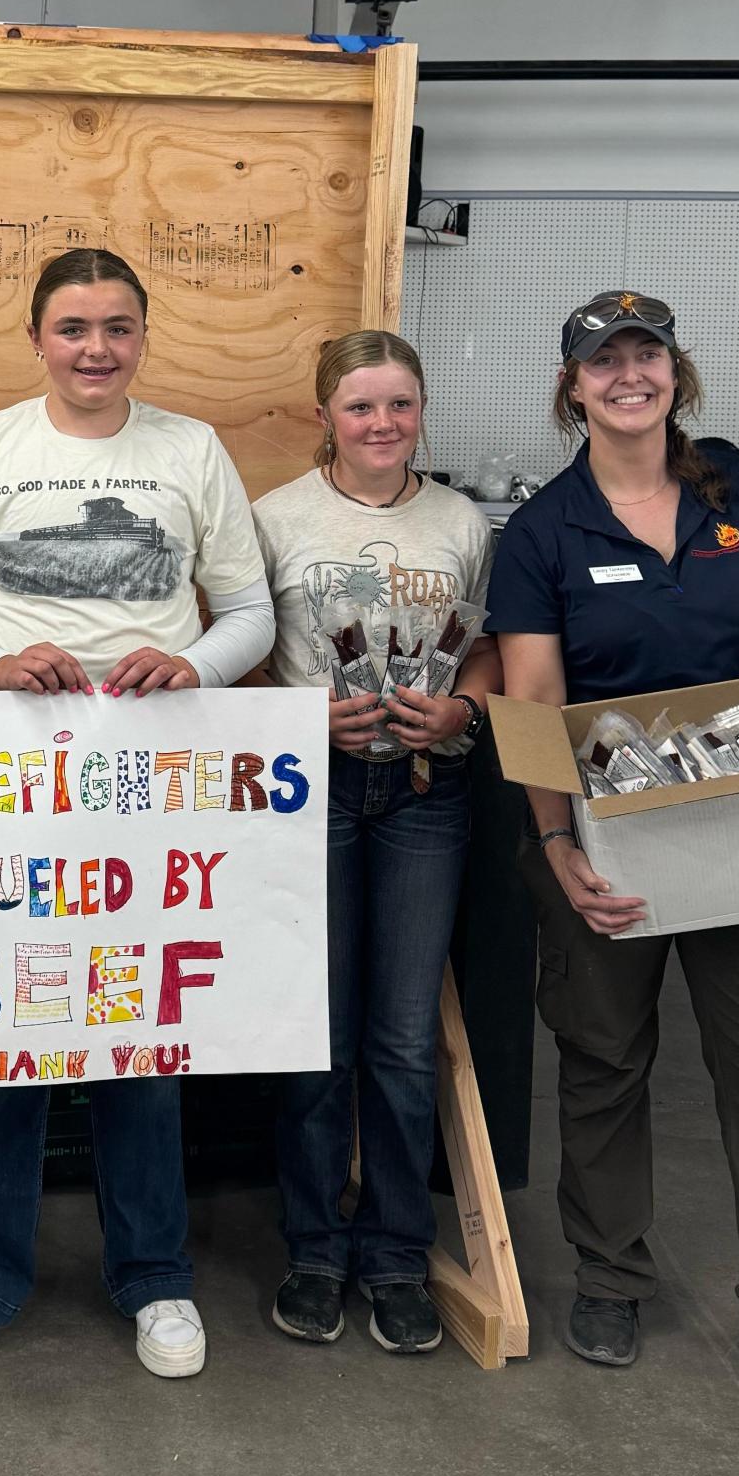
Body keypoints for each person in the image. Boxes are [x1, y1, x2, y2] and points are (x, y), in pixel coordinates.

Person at [491, 290, 739, 1426]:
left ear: (677, 370)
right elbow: (532, 695)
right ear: (572, 385)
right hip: (612, 831)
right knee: (604, 1060)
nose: (629, 373)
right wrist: (556, 840)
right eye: (602, 359)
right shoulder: (542, 532)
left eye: (646, 353)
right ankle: (613, 1278)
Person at [0, 247, 275, 1386]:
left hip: (147, 783)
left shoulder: (188, 449)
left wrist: (196, 663)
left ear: (143, 337)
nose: (95, 347)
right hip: (9, 777)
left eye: (116, 326)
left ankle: (155, 1274)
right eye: (72, 327)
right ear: (38, 338)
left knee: (137, 1031)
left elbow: (249, 611)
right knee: (2, 1027)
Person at [253, 330, 499, 1355]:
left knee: (401, 1037)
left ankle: (397, 1251)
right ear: (325, 415)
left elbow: (486, 650)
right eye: (361, 407)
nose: (383, 424)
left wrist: (463, 715)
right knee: (317, 1030)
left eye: (401, 404)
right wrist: (304, 717)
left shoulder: (461, 521)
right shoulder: (273, 519)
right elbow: (236, 653)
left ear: (423, 409)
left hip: (424, 793)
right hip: (311, 791)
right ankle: (314, 1246)